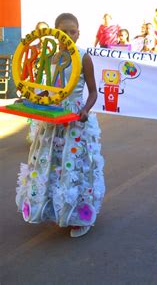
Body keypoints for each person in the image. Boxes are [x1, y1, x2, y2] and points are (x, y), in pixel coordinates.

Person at [16, 13, 105, 238]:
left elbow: (94, 92)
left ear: (79, 33)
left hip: (75, 119)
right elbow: (44, 90)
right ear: (55, 34)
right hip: (52, 119)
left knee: (74, 165)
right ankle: (54, 210)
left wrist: (85, 109)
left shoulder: (84, 57)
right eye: (63, 31)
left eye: (72, 31)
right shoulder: (51, 59)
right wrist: (28, 99)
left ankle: (79, 216)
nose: (68, 35)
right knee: (50, 164)